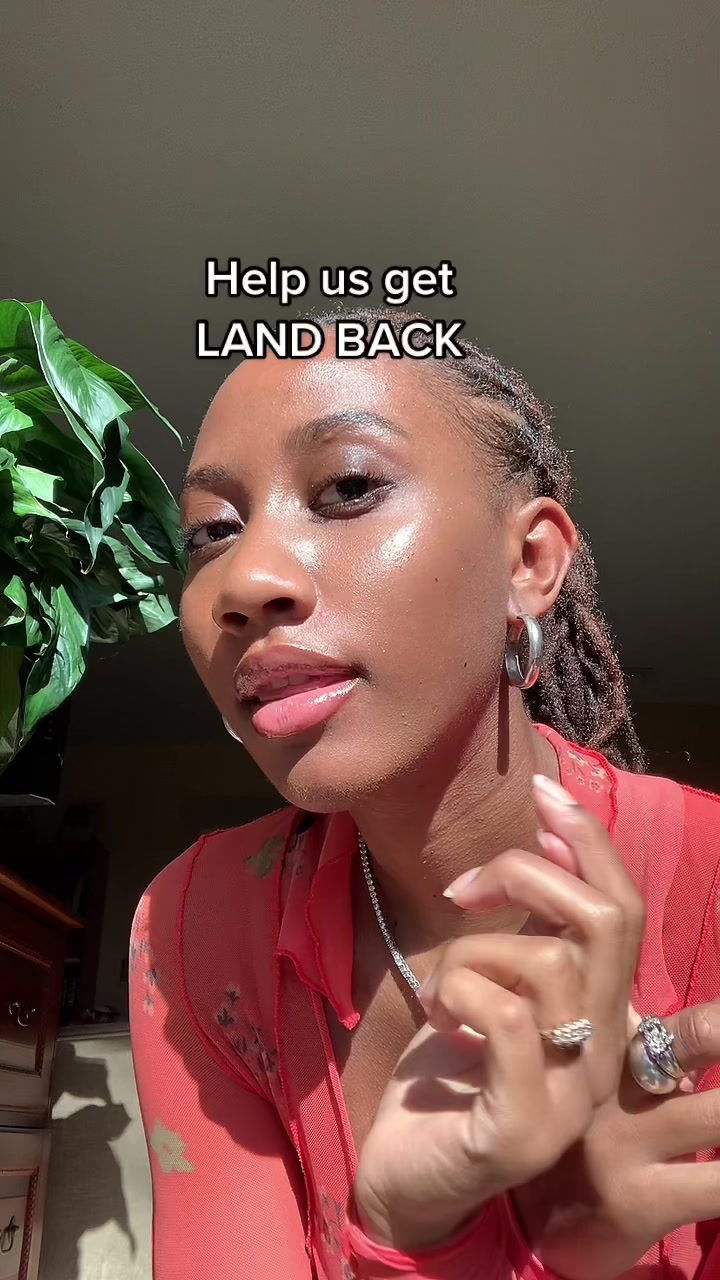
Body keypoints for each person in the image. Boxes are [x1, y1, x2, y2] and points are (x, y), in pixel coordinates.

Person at [129, 310, 720, 1280]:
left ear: (528, 563)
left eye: (347, 487)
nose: (246, 579)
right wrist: (413, 1230)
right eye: (212, 532)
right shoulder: (199, 922)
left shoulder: (710, 887)